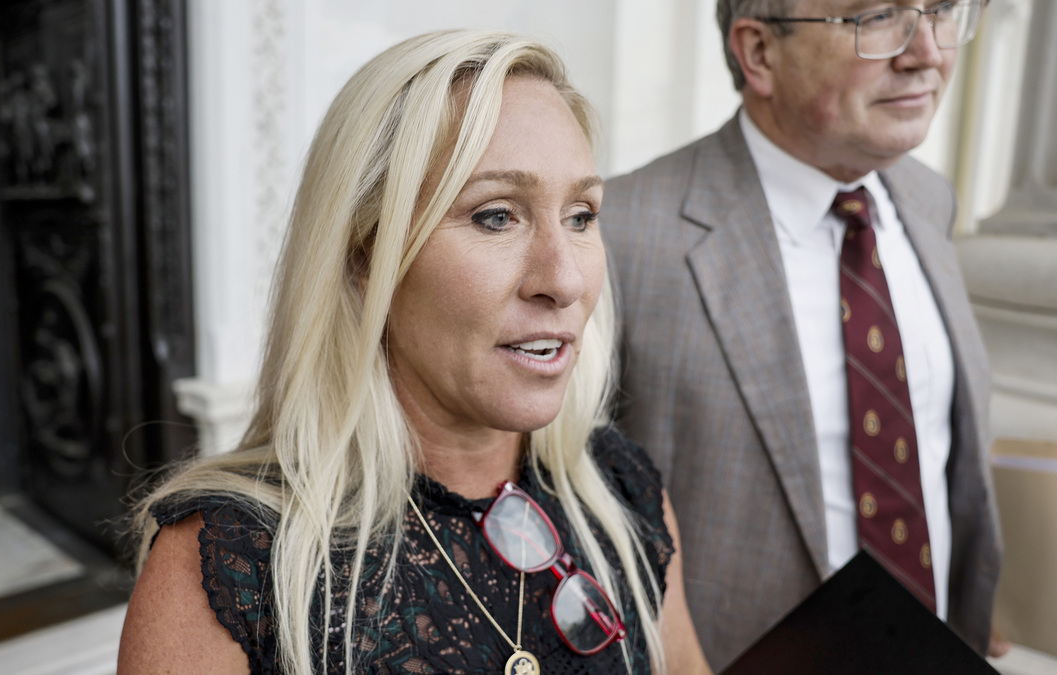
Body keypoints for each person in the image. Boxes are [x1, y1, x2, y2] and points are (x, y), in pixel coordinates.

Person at [118, 30, 711, 675]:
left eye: (580, 215)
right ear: (365, 255)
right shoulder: (236, 567)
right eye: (496, 216)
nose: (565, 280)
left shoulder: (617, 494)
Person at [599, 0, 1001, 669]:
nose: (927, 50)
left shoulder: (930, 202)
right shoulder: (622, 233)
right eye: (878, 17)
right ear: (758, 52)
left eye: (942, 9)